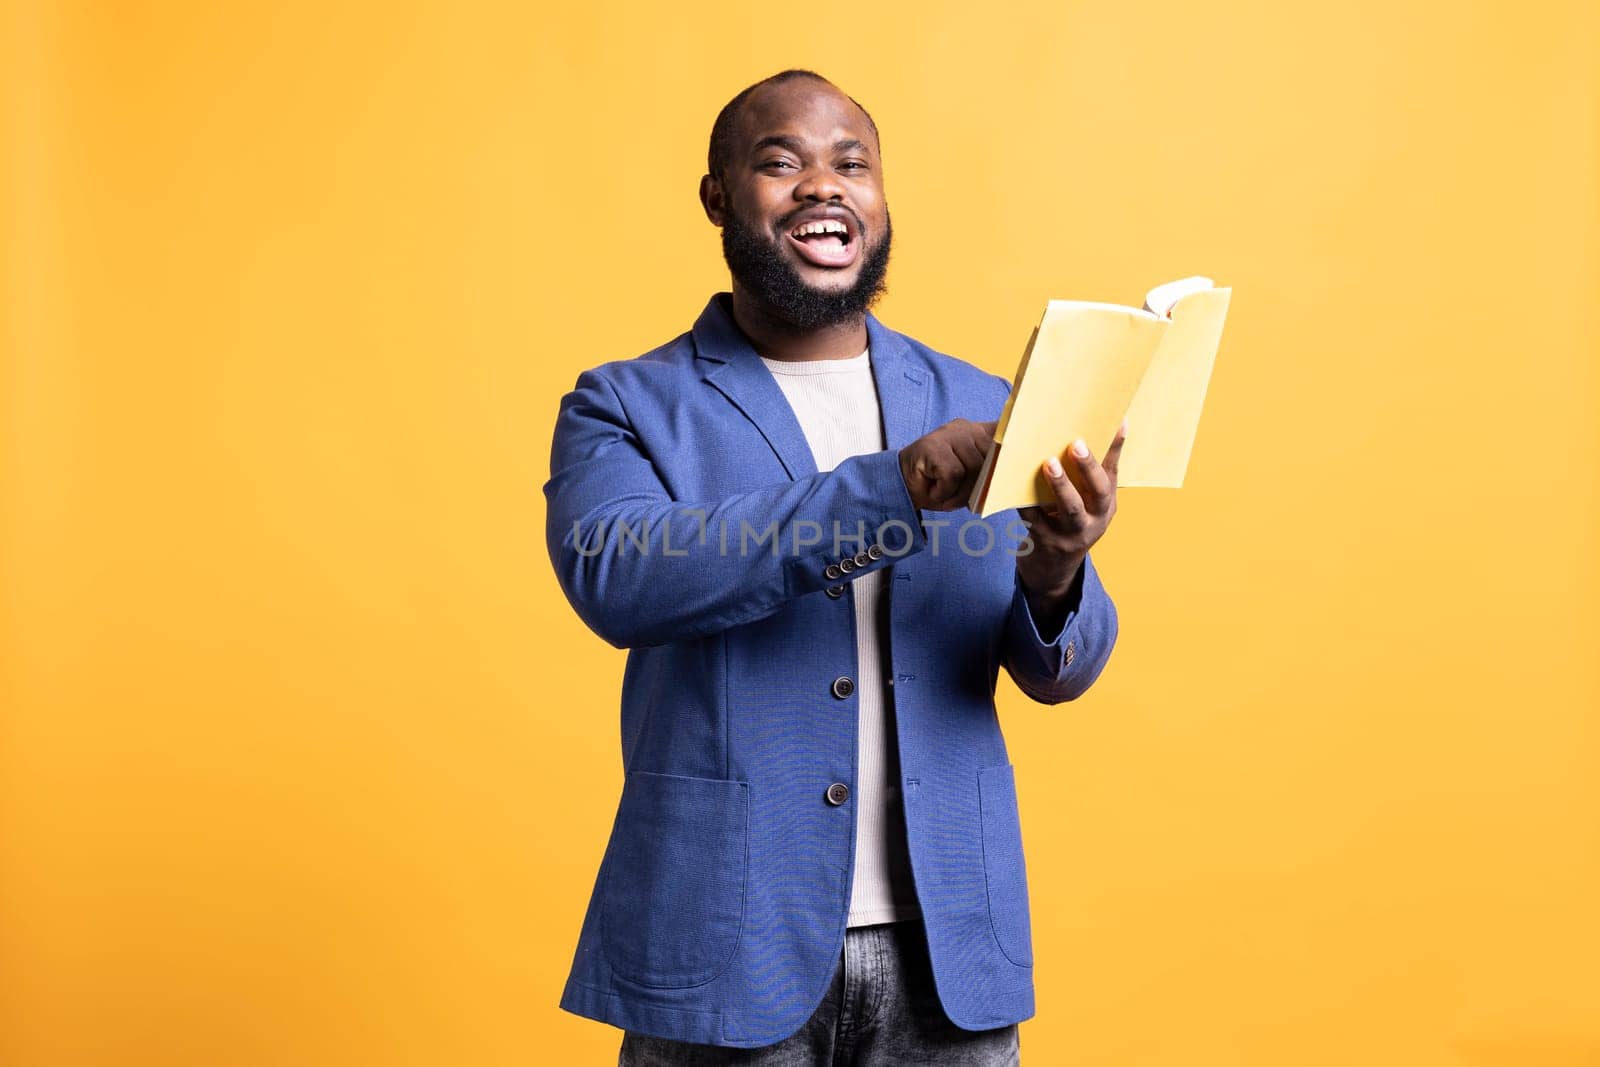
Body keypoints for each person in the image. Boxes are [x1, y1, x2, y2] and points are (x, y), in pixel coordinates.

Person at [544, 69, 1125, 1065]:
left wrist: (1057, 567)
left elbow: (1060, 669)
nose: (824, 185)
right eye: (783, 162)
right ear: (718, 199)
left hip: (949, 951)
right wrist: (891, 487)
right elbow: (620, 575)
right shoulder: (626, 403)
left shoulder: (979, 395)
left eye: (851, 163)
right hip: (725, 944)